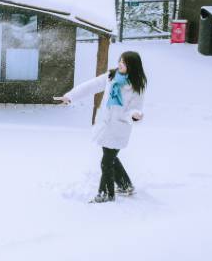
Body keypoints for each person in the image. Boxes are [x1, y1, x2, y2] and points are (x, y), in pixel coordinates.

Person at [54, 51, 147, 203]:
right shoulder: (111, 76)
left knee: (106, 162)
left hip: (119, 128)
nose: (120, 64)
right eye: (120, 61)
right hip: (105, 125)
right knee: (110, 159)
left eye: (123, 62)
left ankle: (106, 195)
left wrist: (134, 115)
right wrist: (70, 96)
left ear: (132, 66)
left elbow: (134, 109)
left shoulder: (137, 87)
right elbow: (90, 86)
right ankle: (125, 186)